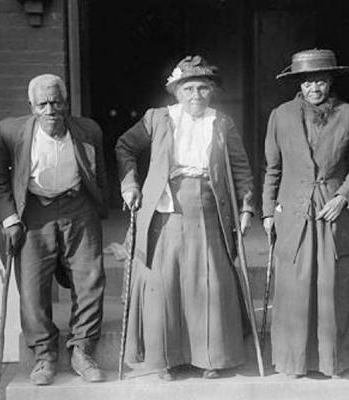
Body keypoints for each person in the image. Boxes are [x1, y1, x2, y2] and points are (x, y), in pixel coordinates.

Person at [116, 55, 254, 381]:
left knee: (208, 282)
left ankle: (211, 357)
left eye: (203, 89)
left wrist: (246, 208)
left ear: (211, 92)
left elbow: (240, 168)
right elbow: (124, 147)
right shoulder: (158, 118)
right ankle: (165, 359)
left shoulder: (222, 123)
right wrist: (130, 184)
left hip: (208, 209)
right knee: (163, 284)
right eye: (189, 88)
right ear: (176, 92)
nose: (196, 96)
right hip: (164, 211)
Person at [0, 74, 108, 385]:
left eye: (56, 102)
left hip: (77, 205)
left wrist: (96, 209)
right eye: (42, 103)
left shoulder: (88, 130)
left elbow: (100, 172)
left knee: (90, 277)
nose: (50, 109)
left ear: (66, 103)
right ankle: (44, 355)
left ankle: (83, 349)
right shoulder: (9, 132)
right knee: (31, 287)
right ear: (32, 106)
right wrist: (10, 219)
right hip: (34, 210)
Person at [262, 49, 349, 378]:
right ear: (299, 83)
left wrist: (343, 196)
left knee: (334, 288)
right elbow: (272, 168)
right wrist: (268, 212)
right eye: (309, 81)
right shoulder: (280, 115)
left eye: (322, 80)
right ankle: (294, 362)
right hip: (294, 211)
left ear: (331, 82)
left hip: (333, 212)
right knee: (295, 289)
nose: (315, 87)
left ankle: (335, 361)